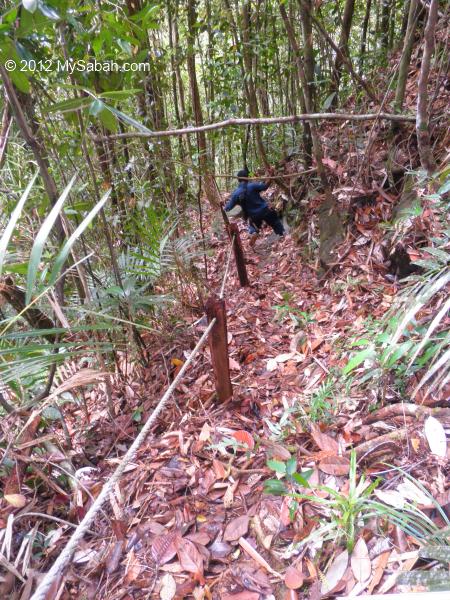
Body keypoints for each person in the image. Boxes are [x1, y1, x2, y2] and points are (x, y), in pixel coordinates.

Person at [224, 168, 285, 244]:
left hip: (254, 216)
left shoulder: (236, 194)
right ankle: (282, 236)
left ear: (238, 180)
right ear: (247, 178)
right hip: (265, 210)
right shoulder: (252, 186)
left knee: (252, 225)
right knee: (275, 222)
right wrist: (271, 176)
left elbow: (227, 208)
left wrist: (223, 205)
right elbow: (265, 186)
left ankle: (253, 232)